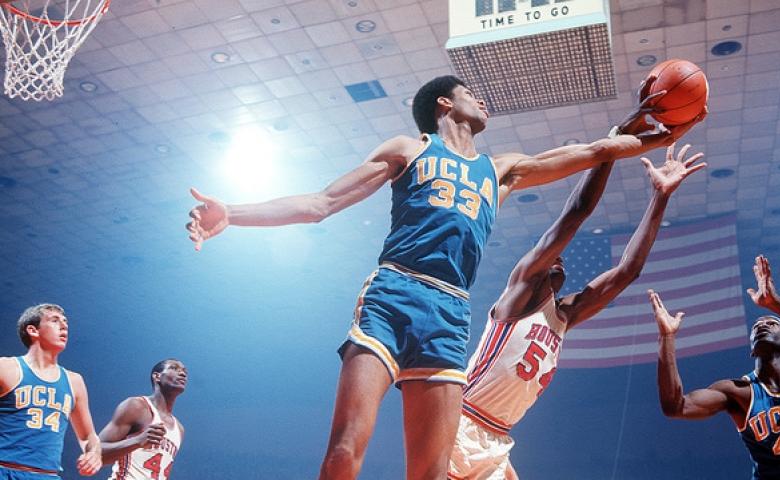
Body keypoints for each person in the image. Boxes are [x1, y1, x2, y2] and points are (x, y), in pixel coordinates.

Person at [186, 75, 704, 479]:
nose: (484, 102)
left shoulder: (499, 169)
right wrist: (233, 212)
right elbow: (321, 203)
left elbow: (591, 154)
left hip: (451, 311)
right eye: (472, 94)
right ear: (444, 104)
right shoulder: (408, 150)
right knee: (344, 451)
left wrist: (647, 136)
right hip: (396, 292)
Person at [448, 142, 706, 479]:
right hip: (463, 420)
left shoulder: (564, 317)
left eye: (562, 259)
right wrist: (611, 147)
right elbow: (575, 213)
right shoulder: (519, 295)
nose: (560, 258)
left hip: (497, 436)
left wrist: (660, 196)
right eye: (551, 255)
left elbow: (627, 272)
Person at [650, 255, 780, 479]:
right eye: (756, 327)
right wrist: (667, 337)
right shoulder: (738, 392)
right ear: (752, 350)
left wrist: (777, 304)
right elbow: (675, 407)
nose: (761, 325)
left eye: (772, 323)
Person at [0, 304, 102, 479]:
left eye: (65, 322)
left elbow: (88, 436)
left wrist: (94, 453)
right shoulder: (6, 368)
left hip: (47, 475)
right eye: (55, 321)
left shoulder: (74, 381)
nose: (64, 326)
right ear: (33, 330)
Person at [99, 359, 187, 480]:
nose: (182, 373)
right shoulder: (136, 406)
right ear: (157, 376)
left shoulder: (179, 429)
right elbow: (94, 453)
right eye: (174, 368)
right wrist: (137, 441)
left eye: (184, 371)